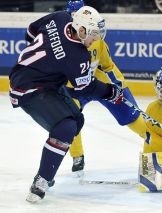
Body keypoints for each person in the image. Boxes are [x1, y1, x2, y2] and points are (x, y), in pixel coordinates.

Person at [9, 5, 123, 202]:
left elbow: (30, 31)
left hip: (35, 79)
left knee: (77, 120)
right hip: (28, 89)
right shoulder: (78, 56)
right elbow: (85, 89)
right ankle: (42, 180)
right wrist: (110, 92)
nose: (95, 40)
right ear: (81, 29)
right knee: (66, 127)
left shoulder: (59, 17)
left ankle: (49, 162)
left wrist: (47, 63)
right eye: (93, 34)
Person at [64, 0, 146, 175]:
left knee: (131, 115)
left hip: (100, 85)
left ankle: (153, 140)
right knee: (69, 118)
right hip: (75, 89)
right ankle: (77, 155)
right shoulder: (62, 45)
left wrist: (119, 87)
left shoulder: (97, 41)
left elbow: (108, 66)